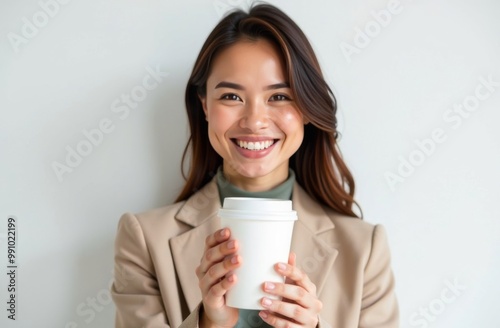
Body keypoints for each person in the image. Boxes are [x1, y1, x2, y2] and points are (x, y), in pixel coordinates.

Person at [111, 3, 399, 328]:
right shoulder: (145, 240)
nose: (255, 122)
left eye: (279, 97)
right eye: (231, 97)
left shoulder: (364, 250)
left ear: (305, 108)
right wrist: (210, 323)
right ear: (204, 105)